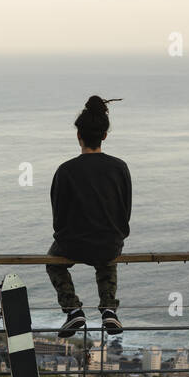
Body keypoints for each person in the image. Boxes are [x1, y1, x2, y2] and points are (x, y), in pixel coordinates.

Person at [46, 95, 131, 339]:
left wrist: (66, 237)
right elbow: (124, 209)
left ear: (78, 135)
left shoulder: (66, 170)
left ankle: (73, 310)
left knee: (53, 262)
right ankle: (108, 309)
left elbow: (58, 214)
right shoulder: (119, 168)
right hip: (108, 241)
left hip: (73, 242)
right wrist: (117, 235)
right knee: (107, 257)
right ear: (104, 135)